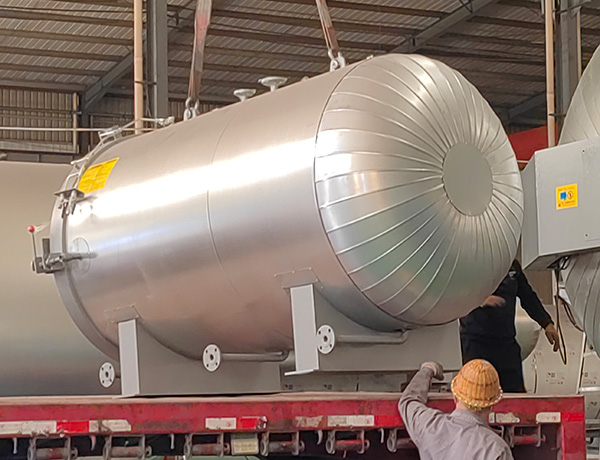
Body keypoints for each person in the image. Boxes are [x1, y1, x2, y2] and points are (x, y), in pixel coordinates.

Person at [460, 259, 560, 392]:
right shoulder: (467, 261)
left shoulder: (511, 265)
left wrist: (547, 323)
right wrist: (478, 300)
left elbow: (528, 297)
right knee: (477, 392)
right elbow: (452, 291)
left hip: (506, 342)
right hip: (476, 342)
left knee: (515, 394)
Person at [399, 359, 512, 460]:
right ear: (491, 406)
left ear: (455, 397)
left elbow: (408, 401)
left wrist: (428, 370)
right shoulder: (496, 449)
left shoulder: (430, 425)